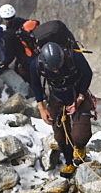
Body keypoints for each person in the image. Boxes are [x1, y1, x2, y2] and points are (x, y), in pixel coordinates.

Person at [31, 41, 94, 177]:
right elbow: (35, 84)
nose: (56, 71)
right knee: (60, 135)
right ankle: (69, 162)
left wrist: (80, 98)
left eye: (57, 68)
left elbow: (88, 74)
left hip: (77, 93)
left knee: (80, 134)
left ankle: (80, 147)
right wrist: (41, 108)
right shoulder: (37, 64)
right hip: (56, 98)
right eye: (52, 69)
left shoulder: (73, 57)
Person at [0, 4, 40, 81]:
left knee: (31, 82)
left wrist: (0, 67)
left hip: (26, 61)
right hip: (38, 54)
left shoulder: (9, 34)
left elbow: (10, 56)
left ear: (4, 19)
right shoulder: (25, 23)